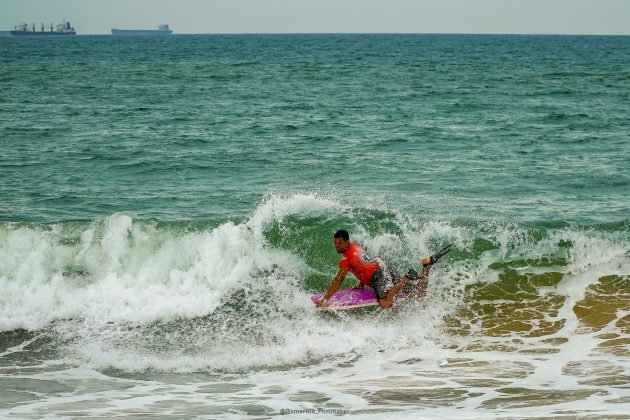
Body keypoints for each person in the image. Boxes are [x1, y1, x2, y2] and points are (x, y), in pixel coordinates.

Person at [315, 229, 452, 309]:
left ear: (347, 242)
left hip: (378, 276)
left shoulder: (345, 259)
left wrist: (326, 299)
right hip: (383, 269)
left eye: (339, 243)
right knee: (420, 294)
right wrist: (361, 283)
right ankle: (427, 266)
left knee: (385, 303)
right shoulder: (356, 247)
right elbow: (363, 262)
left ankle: (406, 278)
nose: (336, 246)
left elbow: (338, 280)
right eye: (335, 243)